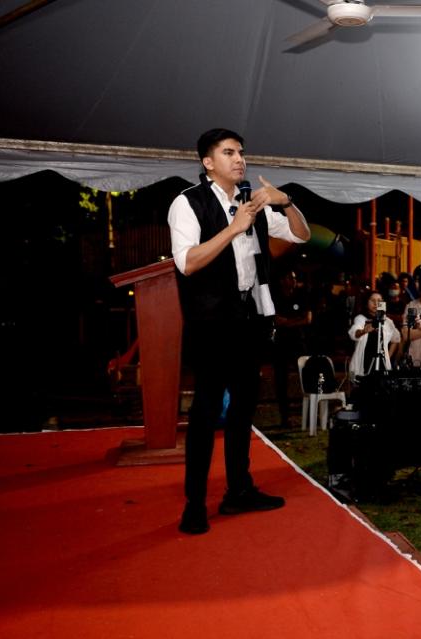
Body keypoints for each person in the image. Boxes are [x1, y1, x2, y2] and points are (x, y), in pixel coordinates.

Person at [168, 128, 311, 535]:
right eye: (228, 152)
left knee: (245, 408)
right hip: (211, 322)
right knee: (206, 411)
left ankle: (239, 490)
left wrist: (287, 201)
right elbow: (188, 263)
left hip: (250, 317)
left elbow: (300, 234)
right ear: (207, 162)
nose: (240, 159)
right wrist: (234, 227)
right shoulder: (186, 203)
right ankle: (194, 504)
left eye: (242, 152)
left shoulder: (254, 203)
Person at [271, 269, 312, 429]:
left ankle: (308, 414)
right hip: (280, 343)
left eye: (295, 278)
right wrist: (294, 321)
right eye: (289, 277)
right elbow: (275, 319)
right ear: (282, 280)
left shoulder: (301, 296)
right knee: (281, 380)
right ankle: (285, 417)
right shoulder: (276, 297)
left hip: (298, 342)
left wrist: (288, 322)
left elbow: (307, 319)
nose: (293, 281)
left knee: (306, 377)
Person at [348, 291, 400, 379]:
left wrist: (387, 356)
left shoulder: (387, 321)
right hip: (365, 362)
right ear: (366, 302)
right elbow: (354, 333)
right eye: (372, 300)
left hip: (382, 364)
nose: (376, 303)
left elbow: (396, 338)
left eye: (379, 300)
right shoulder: (361, 319)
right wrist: (363, 331)